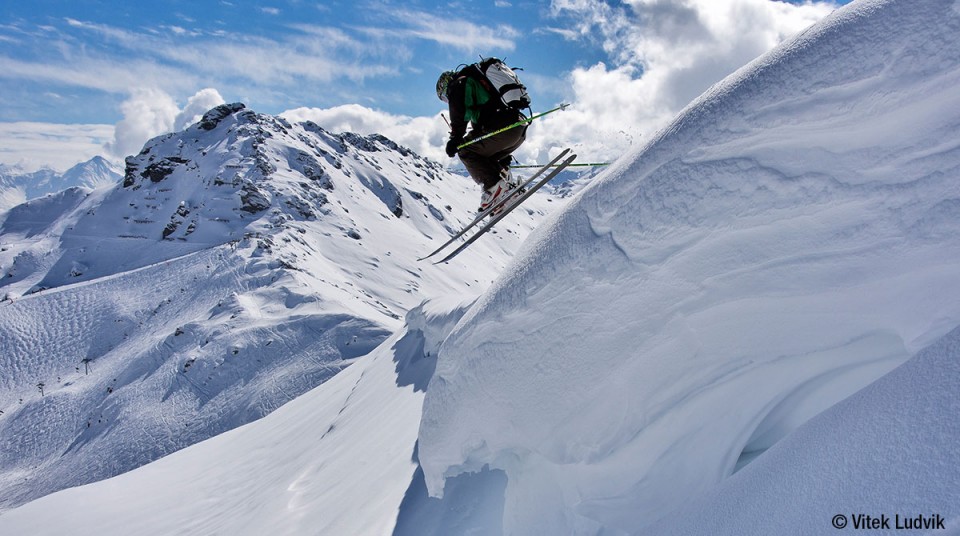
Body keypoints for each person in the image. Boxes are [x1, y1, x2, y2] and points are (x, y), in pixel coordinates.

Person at [437, 67, 527, 213]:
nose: (448, 100)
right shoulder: (478, 84)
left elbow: (458, 111)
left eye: (445, 98)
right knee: (482, 155)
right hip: (518, 128)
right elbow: (480, 126)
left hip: (503, 127)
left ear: (445, 85)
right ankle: (507, 185)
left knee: (465, 150)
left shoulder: (458, 84)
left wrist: (455, 138)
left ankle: (494, 188)